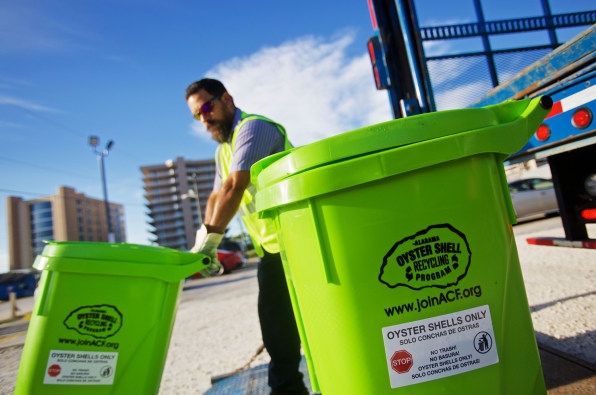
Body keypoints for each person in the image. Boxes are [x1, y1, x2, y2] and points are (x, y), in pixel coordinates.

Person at [185, 78, 309, 395]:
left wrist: (212, 243)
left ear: (226, 98)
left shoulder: (254, 129)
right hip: (273, 248)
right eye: (197, 115)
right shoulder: (222, 152)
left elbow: (233, 187)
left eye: (207, 107)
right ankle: (289, 388)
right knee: (276, 324)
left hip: (301, 238)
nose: (204, 119)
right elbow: (215, 198)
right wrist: (203, 243)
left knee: (300, 320)